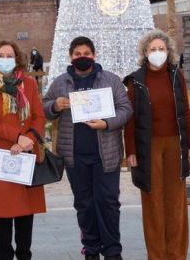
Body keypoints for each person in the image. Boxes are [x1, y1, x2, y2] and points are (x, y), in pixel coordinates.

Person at [43, 36, 133, 260]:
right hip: (74, 155)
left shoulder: (110, 80)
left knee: (108, 203)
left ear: (94, 55)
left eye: (86, 54)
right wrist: (55, 105)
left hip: (106, 154)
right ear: (71, 57)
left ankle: (112, 251)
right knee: (84, 204)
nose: (82, 58)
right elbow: (43, 107)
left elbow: (126, 109)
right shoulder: (61, 82)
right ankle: (91, 248)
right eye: (77, 54)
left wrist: (106, 122)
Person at [123, 29, 190, 260]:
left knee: (176, 202)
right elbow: (130, 117)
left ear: (169, 51)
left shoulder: (177, 76)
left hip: (175, 144)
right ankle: (156, 255)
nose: (157, 53)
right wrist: (131, 150)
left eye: (161, 49)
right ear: (145, 53)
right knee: (153, 201)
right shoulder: (135, 80)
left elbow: (185, 110)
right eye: (152, 49)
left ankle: (176, 254)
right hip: (149, 146)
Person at [0, 40, 47, 260]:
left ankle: (25, 255)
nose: (5, 59)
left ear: (17, 59)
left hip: (26, 152)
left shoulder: (29, 84)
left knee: (26, 212)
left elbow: (39, 116)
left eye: (10, 55)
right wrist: (17, 137)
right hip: (0, 155)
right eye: (1, 55)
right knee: (2, 213)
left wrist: (29, 139)